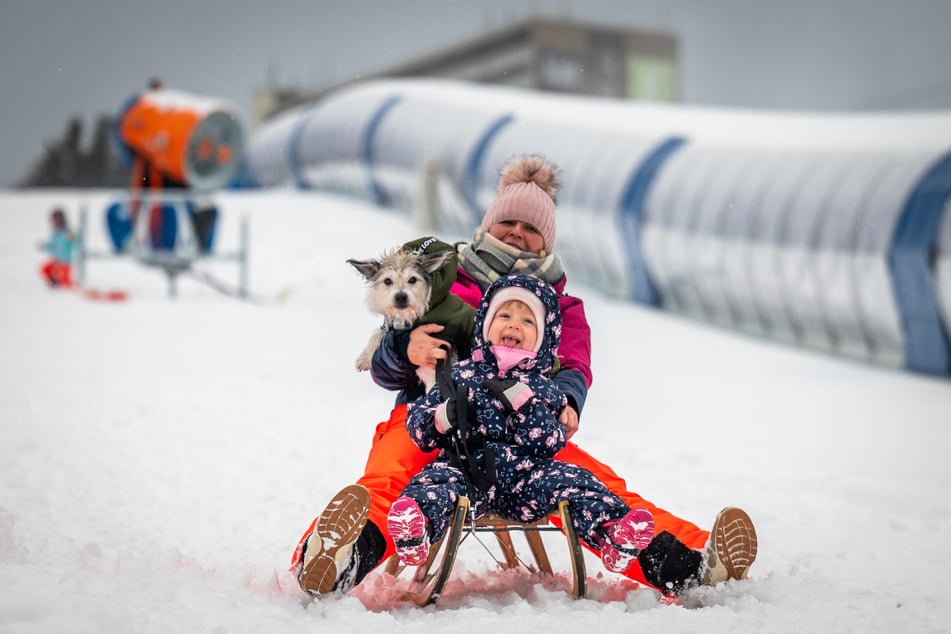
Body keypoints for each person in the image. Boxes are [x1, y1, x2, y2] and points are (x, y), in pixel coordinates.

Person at [292, 154, 757, 598]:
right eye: (507, 222)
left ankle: (695, 564)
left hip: (525, 433)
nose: (516, 233)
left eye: (530, 227)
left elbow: (574, 368)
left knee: (600, 487)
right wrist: (403, 346)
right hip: (429, 416)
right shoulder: (444, 278)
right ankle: (333, 559)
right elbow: (383, 366)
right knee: (387, 476)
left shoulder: (563, 310)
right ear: (487, 224)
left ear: (546, 240)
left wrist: (567, 403)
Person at [387, 273, 655, 575]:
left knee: (576, 480)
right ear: (485, 325)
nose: (514, 324)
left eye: (528, 322)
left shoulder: (546, 387)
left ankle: (612, 535)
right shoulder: (459, 374)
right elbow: (419, 428)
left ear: (542, 338)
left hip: (527, 480)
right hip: (466, 471)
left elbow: (551, 442)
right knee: (433, 482)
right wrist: (440, 418)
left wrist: (526, 405)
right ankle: (416, 530)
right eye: (504, 315)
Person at [38, 208, 77, 288]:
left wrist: (73, 238)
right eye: (53, 220)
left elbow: (76, 242)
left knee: (66, 283)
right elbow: (51, 245)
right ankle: (55, 282)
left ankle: (68, 290)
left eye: (56, 219)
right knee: (44, 269)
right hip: (56, 260)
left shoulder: (67, 232)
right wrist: (44, 246)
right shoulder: (55, 233)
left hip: (65, 261)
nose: (54, 222)